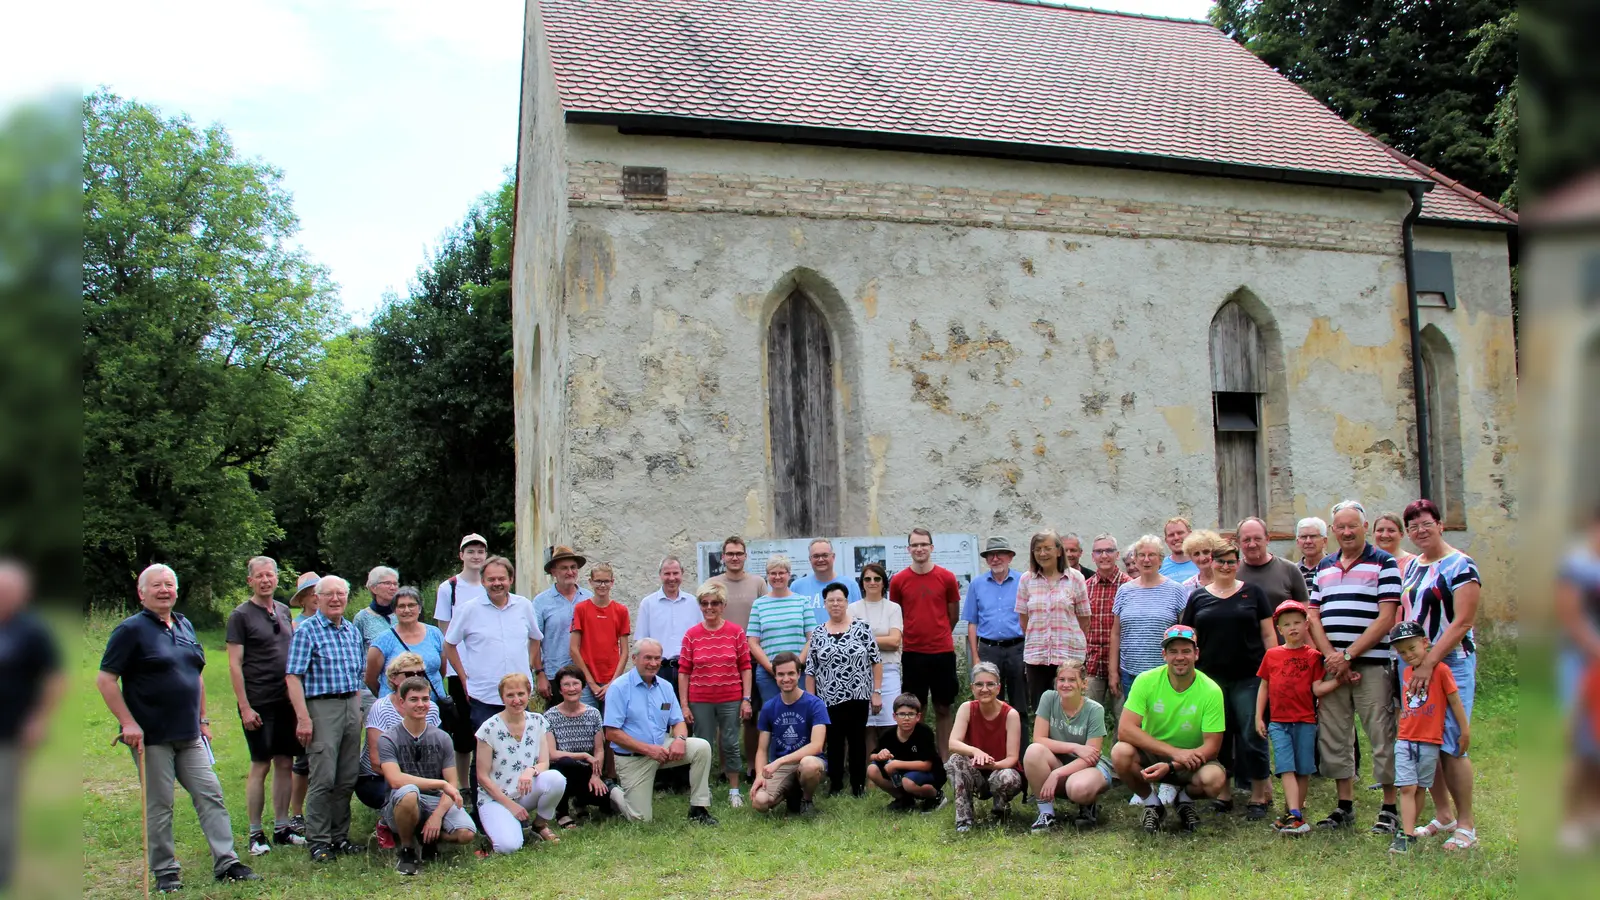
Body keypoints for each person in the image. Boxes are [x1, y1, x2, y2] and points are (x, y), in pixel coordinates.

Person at [97, 564, 261, 890]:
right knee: (161, 806)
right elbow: (105, 680)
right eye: (156, 585)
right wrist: (128, 722)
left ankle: (226, 862)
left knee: (211, 795)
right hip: (152, 736)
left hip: (190, 733)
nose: (164, 590)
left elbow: (195, 675)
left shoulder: (184, 625)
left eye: (169, 584)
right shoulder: (130, 630)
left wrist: (203, 719)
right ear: (141, 592)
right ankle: (166, 873)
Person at [1307, 500, 1403, 834]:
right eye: (1341, 527)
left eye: (1353, 526)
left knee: (1381, 733)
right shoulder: (1324, 567)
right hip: (1332, 667)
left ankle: (1390, 807)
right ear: (1332, 532)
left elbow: (1387, 616)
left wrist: (1348, 656)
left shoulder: (1385, 563)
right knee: (1335, 736)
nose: (1347, 532)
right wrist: (1333, 657)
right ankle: (1344, 805)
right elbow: (1313, 616)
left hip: (1372, 665)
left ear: (1365, 527)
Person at [1399, 497, 1482, 850]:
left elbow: (1463, 620)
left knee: (1451, 744)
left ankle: (1466, 825)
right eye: (1413, 525)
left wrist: (1431, 662)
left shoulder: (1461, 565)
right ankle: (1443, 814)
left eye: (1425, 522)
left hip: (1451, 664)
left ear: (1440, 524)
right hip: (1417, 667)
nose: (1420, 530)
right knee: (1425, 738)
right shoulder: (1412, 567)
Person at [1179, 539, 1277, 818]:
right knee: (1218, 736)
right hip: (1211, 680)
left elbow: (1269, 635)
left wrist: (1274, 669)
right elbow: (1189, 637)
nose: (1225, 566)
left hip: (1250, 676)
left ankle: (1259, 794)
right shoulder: (1198, 597)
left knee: (1251, 733)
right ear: (1211, 562)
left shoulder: (1254, 593)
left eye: (1230, 561)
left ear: (1238, 564)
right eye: (1220, 560)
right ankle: (1224, 792)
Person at [1111, 625, 1229, 834]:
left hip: (1192, 759)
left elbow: (1212, 746)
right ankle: (1152, 804)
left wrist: (1174, 765)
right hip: (1154, 755)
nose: (1180, 657)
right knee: (1120, 752)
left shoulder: (1211, 690)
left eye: (1186, 651)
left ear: (1196, 654)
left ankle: (1183, 800)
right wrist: (1174, 753)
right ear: (1164, 655)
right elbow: (1125, 730)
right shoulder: (1146, 680)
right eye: (1173, 651)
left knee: (1214, 779)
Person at [285, 573, 367, 861]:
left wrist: (357, 710)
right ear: (316, 599)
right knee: (323, 776)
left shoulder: (351, 631)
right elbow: (293, 676)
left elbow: (358, 676)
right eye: (328, 594)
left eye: (340, 594)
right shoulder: (307, 630)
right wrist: (303, 718)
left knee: (347, 776)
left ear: (347, 598)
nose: (335, 599)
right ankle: (318, 840)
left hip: (349, 705)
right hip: (321, 708)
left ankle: (339, 836)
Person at [224, 556, 303, 856]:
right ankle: (255, 833)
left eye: (270, 575)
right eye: (260, 576)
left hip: (286, 700)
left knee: (285, 761)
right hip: (258, 701)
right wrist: (245, 706)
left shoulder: (283, 610)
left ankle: (282, 827)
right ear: (250, 581)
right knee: (261, 764)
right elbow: (234, 664)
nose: (266, 580)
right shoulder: (240, 616)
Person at [603, 639, 719, 824]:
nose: (654, 663)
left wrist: (680, 739)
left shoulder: (665, 687)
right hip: (634, 758)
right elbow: (612, 733)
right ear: (634, 658)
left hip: (662, 748)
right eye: (647, 658)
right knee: (640, 820)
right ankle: (613, 790)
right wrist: (649, 750)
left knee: (701, 747)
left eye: (657, 658)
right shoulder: (619, 688)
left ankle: (699, 808)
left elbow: (678, 721)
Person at [0, 562, 64, 894]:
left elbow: (54, 678)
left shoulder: (32, 630)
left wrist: (39, 719)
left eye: (9, 592)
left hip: (10, 731)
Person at [377, 677, 476, 875]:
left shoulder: (442, 738)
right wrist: (440, 783)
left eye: (425, 699)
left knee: (466, 833)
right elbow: (395, 779)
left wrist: (437, 816)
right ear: (402, 702)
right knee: (409, 792)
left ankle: (426, 838)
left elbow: (452, 783)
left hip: (435, 801)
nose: (421, 704)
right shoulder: (388, 738)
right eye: (414, 699)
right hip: (400, 802)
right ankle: (407, 849)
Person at [1254, 600, 1338, 834]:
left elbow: (1317, 689)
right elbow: (1264, 687)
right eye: (1286, 624)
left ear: (1306, 625)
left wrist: (1339, 681)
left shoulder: (1313, 657)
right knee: (1285, 767)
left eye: (1298, 623)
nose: (1293, 628)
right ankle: (1295, 813)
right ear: (1279, 630)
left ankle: (1296, 813)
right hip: (1279, 722)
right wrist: (1258, 717)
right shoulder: (1271, 655)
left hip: (1305, 721)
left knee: (1303, 769)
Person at [1386, 621, 1469, 855]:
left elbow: (1454, 701)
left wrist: (1464, 730)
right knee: (1406, 786)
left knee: (1420, 788)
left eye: (1412, 648)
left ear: (1425, 643)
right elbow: (1405, 705)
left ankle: (1409, 832)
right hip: (1405, 739)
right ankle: (1407, 833)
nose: (1408, 655)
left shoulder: (1441, 671)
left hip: (1429, 741)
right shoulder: (1405, 672)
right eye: (1402, 652)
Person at [443, 556, 544, 741]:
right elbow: (449, 644)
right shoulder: (469, 610)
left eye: (501, 579)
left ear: (511, 580)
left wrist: (527, 665)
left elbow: (536, 638)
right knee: (486, 750)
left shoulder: (524, 606)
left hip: (519, 695)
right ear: (482, 581)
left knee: (521, 748)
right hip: (484, 695)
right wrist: (463, 677)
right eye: (491, 579)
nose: (497, 583)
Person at [678, 581, 753, 808]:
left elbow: (745, 666)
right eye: (705, 603)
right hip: (700, 699)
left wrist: (746, 699)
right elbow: (683, 671)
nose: (709, 607)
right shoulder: (692, 635)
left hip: (730, 697)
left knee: (731, 743)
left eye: (715, 603)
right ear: (700, 605)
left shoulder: (735, 632)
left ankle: (734, 790)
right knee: (703, 745)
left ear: (723, 605)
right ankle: (703, 789)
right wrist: (684, 705)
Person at [891, 527, 963, 759]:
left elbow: (953, 615)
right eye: (915, 545)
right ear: (908, 549)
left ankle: (945, 758)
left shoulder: (947, 577)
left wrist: (939, 634)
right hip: (913, 653)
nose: (919, 549)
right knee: (913, 709)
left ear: (931, 548)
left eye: (924, 544)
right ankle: (919, 756)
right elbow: (897, 615)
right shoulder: (899, 580)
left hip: (942, 652)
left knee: (943, 707)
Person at [356, 653, 440, 851]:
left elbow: (438, 753)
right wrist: (410, 780)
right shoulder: (381, 709)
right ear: (393, 679)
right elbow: (376, 762)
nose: (416, 677)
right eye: (409, 673)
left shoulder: (431, 708)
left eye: (421, 673)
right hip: (377, 777)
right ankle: (388, 823)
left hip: (419, 774)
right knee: (407, 794)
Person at [475, 673, 567, 853]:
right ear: (502, 697)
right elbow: (482, 777)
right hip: (496, 798)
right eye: (510, 695)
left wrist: (529, 771)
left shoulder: (538, 721)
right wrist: (510, 805)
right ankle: (500, 829)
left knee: (556, 779)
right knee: (508, 847)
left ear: (528, 694)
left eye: (520, 694)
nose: (516, 700)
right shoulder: (488, 728)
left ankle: (539, 825)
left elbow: (544, 763)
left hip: (524, 791)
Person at [807, 583, 883, 796]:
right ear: (825, 604)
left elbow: (876, 662)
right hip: (828, 698)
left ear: (847, 602)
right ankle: (836, 784)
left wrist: (876, 692)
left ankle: (858, 785)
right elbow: (811, 670)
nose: (835, 604)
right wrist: (812, 700)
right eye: (831, 600)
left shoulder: (862, 628)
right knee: (834, 741)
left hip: (858, 695)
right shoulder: (818, 633)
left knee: (857, 739)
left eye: (839, 600)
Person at [1024, 661, 1113, 832]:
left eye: (1072, 680)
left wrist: (1057, 774)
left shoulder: (1095, 710)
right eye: (1061, 679)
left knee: (1078, 788)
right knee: (1033, 751)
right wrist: (1074, 747)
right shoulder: (1049, 698)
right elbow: (1039, 739)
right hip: (1060, 761)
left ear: (1084, 684)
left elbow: (1091, 757)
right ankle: (1046, 814)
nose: (1065, 684)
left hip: (1088, 767)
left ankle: (1087, 805)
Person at [1557, 509, 1600, 851]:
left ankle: (1593, 814)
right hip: (1582, 662)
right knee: (1583, 741)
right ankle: (1571, 821)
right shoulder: (1577, 565)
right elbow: (1571, 616)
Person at [1016, 529, 1090, 715]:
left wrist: (1071, 640)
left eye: (1047, 548)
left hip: (1068, 655)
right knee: (1042, 710)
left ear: (1058, 551)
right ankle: (1043, 744)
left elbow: (1084, 618)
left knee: (1070, 708)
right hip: (1037, 656)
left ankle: (1071, 744)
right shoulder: (1026, 580)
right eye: (1037, 549)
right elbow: (1024, 619)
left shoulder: (1076, 578)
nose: (1042, 553)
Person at [1108, 535, 1189, 704]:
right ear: (1135, 560)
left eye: (1152, 555)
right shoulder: (1124, 591)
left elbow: (1186, 635)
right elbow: (1116, 633)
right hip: (1130, 675)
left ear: (1161, 560)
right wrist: (1113, 672)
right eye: (1141, 555)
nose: (1146, 560)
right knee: (1135, 725)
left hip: (1166, 674)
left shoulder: (1176, 591)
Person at [944, 662, 1024, 833]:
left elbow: (1012, 758)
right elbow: (953, 743)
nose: (984, 689)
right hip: (975, 770)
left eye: (990, 684)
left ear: (998, 688)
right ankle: (964, 819)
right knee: (955, 760)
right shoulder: (966, 708)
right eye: (979, 684)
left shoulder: (1011, 714)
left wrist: (992, 765)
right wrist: (976, 751)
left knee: (1008, 777)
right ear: (972, 688)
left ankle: (1000, 808)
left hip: (1000, 770)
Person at [436, 534, 490, 777]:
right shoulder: (450, 588)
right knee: (463, 731)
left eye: (480, 551)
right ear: (461, 555)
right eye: (471, 551)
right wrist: (451, 667)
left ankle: (488, 776)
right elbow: (444, 630)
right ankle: (464, 785)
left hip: (489, 668)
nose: (476, 556)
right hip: (460, 670)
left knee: (489, 726)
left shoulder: (491, 584)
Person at [751, 652, 830, 814]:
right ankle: (791, 792)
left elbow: (816, 746)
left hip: (809, 761)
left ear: (799, 674)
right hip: (782, 767)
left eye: (791, 673)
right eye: (781, 674)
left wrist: (779, 762)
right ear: (775, 677)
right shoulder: (769, 707)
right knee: (760, 802)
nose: (786, 679)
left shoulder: (815, 704)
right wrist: (759, 775)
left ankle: (806, 800)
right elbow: (762, 749)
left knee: (809, 765)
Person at [545, 665, 623, 826]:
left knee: (607, 802)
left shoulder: (593, 713)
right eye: (566, 685)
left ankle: (581, 801)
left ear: (582, 687)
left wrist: (596, 775)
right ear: (560, 690)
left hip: (587, 772)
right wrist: (583, 755)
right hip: (561, 772)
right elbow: (552, 754)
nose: (571, 688)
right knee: (564, 763)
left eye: (575, 684)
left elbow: (599, 749)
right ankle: (562, 813)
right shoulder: (550, 716)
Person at [962, 537, 1025, 713]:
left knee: (1019, 702)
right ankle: (994, 741)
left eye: (1000, 554)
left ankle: (1021, 741)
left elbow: (1031, 618)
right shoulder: (977, 584)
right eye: (991, 555)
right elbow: (972, 623)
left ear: (1010, 557)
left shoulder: (1023, 581)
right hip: (988, 649)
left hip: (1017, 649)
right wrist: (975, 657)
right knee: (990, 702)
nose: (995, 559)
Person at [849, 562, 904, 756]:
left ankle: (889, 771)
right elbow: (851, 643)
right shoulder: (852, 609)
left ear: (883, 582)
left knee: (890, 722)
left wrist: (866, 639)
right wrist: (881, 640)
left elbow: (895, 641)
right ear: (862, 583)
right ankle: (870, 776)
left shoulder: (893, 608)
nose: (872, 582)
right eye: (867, 579)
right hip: (860, 673)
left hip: (889, 670)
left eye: (877, 579)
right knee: (867, 726)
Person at [747, 555, 812, 714]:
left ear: (789, 574)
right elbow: (752, 642)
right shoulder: (759, 604)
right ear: (767, 576)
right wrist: (772, 669)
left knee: (800, 716)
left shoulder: (802, 602)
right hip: (768, 674)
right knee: (773, 718)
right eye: (773, 573)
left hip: (798, 673)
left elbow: (812, 638)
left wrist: (796, 666)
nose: (777, 577)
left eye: (781, 573)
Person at [285, 570, 320, 839]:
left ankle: (320, 812)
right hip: (306, 700)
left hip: (329, 701)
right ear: (305, 599)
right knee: (303, 759)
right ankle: (296, 812)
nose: (319, 598)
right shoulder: (297, 626)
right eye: (314, 594)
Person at [365, 587, 447, 702]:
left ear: (419, 608)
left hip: (434, 705)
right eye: (401, 606)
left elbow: (441, 671)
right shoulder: (382, 641)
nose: (407, 610)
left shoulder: (435, 634)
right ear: (394, 610)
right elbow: (370, 680)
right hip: (397, 710)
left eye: (411, 605)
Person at [867, 694, 946, 812]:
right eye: (902, 714)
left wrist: (897, 764)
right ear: (894, 716)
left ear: (918, 716)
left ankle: (936, 796)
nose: (906, 718)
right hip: (901, 774)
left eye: (911, 714)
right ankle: (904, 799)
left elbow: (927, 765)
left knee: (907, 782)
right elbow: (872, 755)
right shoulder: (888, 734)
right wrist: (879, 755)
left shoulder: (924, 732)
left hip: (929, 773)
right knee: (872, 769)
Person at [534, 545, 591, 704]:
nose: (570, 572)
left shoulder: (589, 598)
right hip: (555, 675)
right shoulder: (541, 602)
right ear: (553, 571)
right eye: (564, 568)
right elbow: (535, 642)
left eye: (573, 567)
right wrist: (540, 674)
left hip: (585, 674)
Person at [570, 563, 631, 711]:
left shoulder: (621, 611)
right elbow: (573, 649)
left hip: (612, 679)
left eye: (606, 581)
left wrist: (613, 682)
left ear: (612, 582)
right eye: (598, 581)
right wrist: (590, 682)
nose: (602, 585)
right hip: (586, 680)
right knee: (587, 724)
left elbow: (624, 651)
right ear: (591, 582)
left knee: (611, 726)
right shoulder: (581, 609)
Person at [1083, 533, 1130, 719]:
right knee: (1086, 720)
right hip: (1092, 665)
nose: (1104, 556)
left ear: (1117, 554)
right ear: (1092, 556)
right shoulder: (1085, 587)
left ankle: (1118, 750)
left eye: (1109, 551)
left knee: (1124, 721)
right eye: (1099, 551)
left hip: (1121, 665)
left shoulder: (1129, 586)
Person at [637, 556, 700, 695]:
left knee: (687, 714)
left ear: (682, 574)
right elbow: (641, 642)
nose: (672, 578)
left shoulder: (694, 603)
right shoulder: (648, 604)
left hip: (689, 670)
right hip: (659, 670)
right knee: (661, 712)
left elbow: (701, 639)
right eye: (667, 573)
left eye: (675, 573)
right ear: (660, 575)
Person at [1237, 517, 1312, 607]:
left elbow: (1305, 611)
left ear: (1267, 539)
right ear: (1238, 542)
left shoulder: (1290, 570)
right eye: (1246, 540)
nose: (1252, 544)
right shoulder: (1233, 572)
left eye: (1257, 539)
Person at [792, 538, 862, 625]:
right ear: (810, 559)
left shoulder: (851, 586)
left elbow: (858, 621)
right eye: (816, 556)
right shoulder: (797, 587)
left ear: (833, 557)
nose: (821, 559)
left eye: (825, 555)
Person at [709, 535, 768, 631]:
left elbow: (766, 617)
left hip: (751, 644)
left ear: (745, 556)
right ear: (723, 557)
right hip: (721, 644)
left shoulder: (759, 583)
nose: (735, 558)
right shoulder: (712, 584)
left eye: (739, 554)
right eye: (730, 554)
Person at [353, 566, 401, 650]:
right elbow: (356, 651)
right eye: (387, 583)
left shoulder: (402, 613)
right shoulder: (362, 618)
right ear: (373, 588)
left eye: (395, 584)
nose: (393, 587)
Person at [1295, 517, 1330, 597]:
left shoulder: (1334, 569)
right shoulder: (1292, 571)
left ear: (1324, 541)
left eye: (1313, 536)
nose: (1308, 541)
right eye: (1303, 537)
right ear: (1297, 542)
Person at [1159, 517, 1199, 582]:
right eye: (1171, 535)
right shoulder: (1159, 567)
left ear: (1190, 534)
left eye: (1180, 533)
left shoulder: (1203, 562)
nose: (1176, 538)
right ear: (1166, 540)